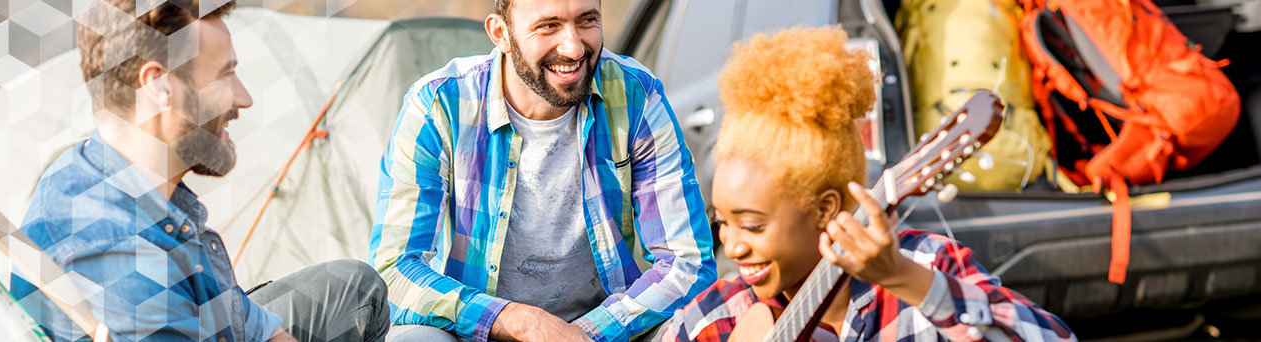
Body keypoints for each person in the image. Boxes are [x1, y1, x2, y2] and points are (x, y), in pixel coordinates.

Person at [658, 27, 1076, 342]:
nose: (731, 247)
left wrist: (904, 279)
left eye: (751, 226)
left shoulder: (921, 265)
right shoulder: (723, 314)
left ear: (824, 209)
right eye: (722, 224)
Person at [13, 1, 390, 341]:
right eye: (225, 75)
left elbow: (253, 325)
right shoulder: (114, 255)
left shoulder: (121, 178)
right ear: (159, 86)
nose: (244, 98)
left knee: (355, 288)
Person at [368, 0, 717, 341]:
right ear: (501, 33)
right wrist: (513, 321)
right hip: (476, 329)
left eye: (587, 20)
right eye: (549, 25)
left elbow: (687, 263)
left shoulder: (636, 94)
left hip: (607, 329)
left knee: (692, 326)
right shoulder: (438, 104)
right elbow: (394, 271)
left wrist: (581, 334)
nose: (574, 46)